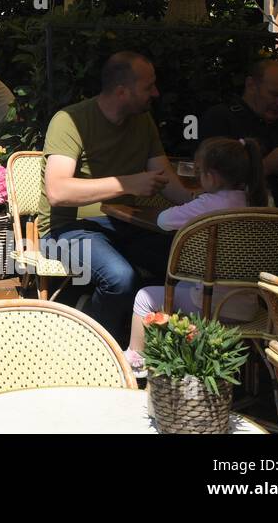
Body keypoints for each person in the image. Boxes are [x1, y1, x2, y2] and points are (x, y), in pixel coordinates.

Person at [39, 51, 192, 345]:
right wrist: (127, 184)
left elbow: (166, 180)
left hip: (125, 226)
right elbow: (58, 192)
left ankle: (155, 349)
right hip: (65, 231)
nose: (156, 93)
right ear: (122, 91)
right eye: (149, 87)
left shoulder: (143, 122)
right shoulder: (69, 121)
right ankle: (93, 353)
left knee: (187, 263)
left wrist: (206, 207)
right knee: (121, 279)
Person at [124, 137, 267, 373]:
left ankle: (135, 363)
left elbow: (163, 220)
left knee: (144, 297)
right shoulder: (260, 203)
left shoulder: (207, 205)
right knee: (181, 284)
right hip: (249, 307)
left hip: (210, 306)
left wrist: (194, 201)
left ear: (210, 176)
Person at [201, 59, 278, 203]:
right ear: (251, 85)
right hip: (236, 220)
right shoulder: (220, 118)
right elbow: (212, 183)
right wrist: (266, 166)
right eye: (275, 94)